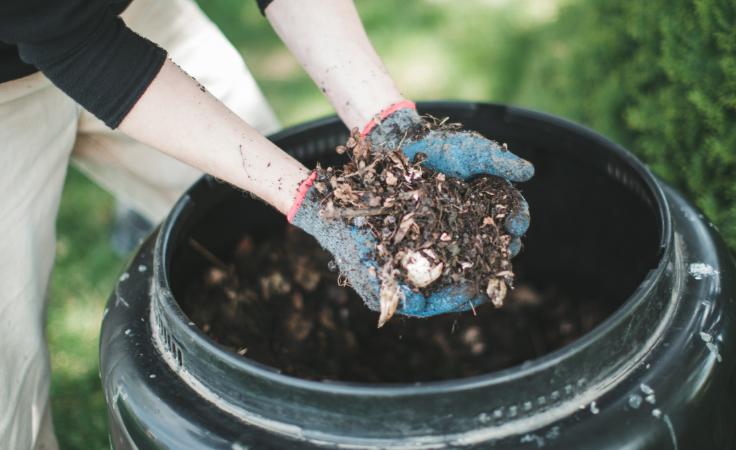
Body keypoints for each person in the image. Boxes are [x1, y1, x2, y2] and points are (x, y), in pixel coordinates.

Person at [0, 0, 534, 448]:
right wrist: (310, 199)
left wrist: (385, 121)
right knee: (9, 389)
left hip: (123, 15)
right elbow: (74, 43)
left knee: (270, 241)